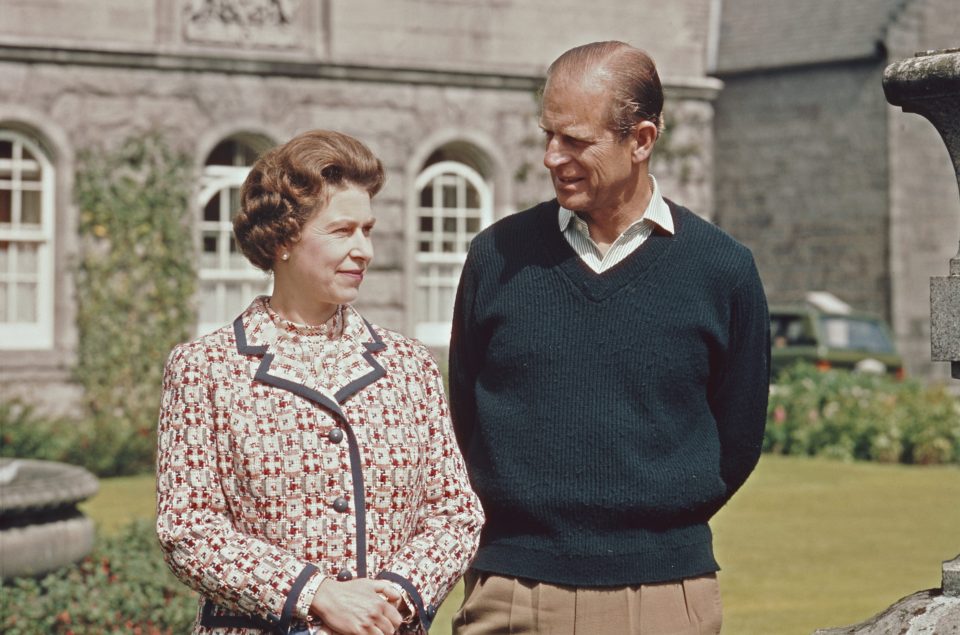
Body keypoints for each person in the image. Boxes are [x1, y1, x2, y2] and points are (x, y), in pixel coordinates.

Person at [449, 41, 770, 635]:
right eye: (548, 134)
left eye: (575, 141)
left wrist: (654, 534)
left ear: (641, 140)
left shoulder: (722, 269)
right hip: (511, 592)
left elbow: (739, 438)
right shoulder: (494, 257)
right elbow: (463, 415)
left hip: (664, 596)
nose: (551, 156)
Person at [156, 129, 484, 635]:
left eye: (368, 230)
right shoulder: (206, 369)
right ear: (284, 238)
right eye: (342, 231)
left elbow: (456, 514)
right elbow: (188, 530)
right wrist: (315, 594)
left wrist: (390, 598)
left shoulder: (409, 365)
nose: (364, 250)